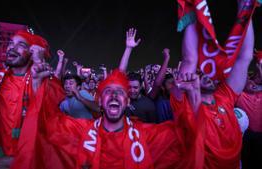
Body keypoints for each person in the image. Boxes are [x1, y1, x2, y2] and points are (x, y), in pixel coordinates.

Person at [23, 68, 200, 169]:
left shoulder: (147, 135)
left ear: (127, 101)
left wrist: (193, 95)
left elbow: (187, 135)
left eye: (120, 92)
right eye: (108, 91)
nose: (114, 95)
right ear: (100, 102)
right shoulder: (78, 131)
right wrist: (37, 84)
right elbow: (43, 124)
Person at [0, 26, 64, 168]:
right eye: (11, 43)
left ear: (33, 51)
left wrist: (39, 64)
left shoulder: (42, 80)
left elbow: (50, 112)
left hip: (30, 162)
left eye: (21, 45)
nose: (12, 48)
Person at [171, 0, 256, 167]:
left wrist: (245, 7)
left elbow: (244, 58)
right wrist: (192, 12)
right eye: (199, 72)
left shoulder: (224, 96)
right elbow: (190, 59)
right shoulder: (184, 103)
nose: (205, 75)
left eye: (208, 72)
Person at [236, 60, 262, 168]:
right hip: (246, 136)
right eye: (249, 81)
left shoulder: (260, 94)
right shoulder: (240, 95)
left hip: (260, 135)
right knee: (247, 161)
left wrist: (259, 66)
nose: (253, 83)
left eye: (255, 81)